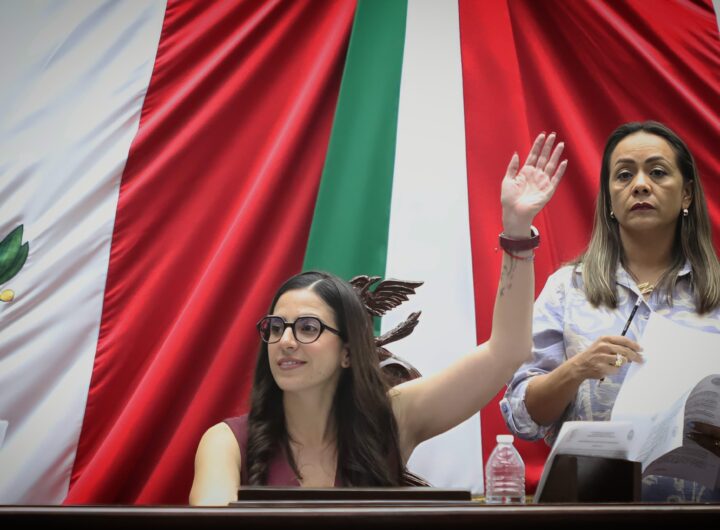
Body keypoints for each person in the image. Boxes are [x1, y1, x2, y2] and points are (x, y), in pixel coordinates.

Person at [189, 132, 567, 505]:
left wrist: (517, 233)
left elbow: (507, 351)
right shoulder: (227, 443)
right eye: (276, 327)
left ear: (348, 352)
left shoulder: (392, 419)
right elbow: (211, 529)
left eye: (307, 328)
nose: (285, 341)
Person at [501, 121, 720, 502]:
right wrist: (576, 370)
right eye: (624, 175)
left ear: (686, 194)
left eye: (657, 172)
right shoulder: (567, 289)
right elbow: (523, 417)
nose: (640, 185)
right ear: (609, 200)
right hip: (588, 513)